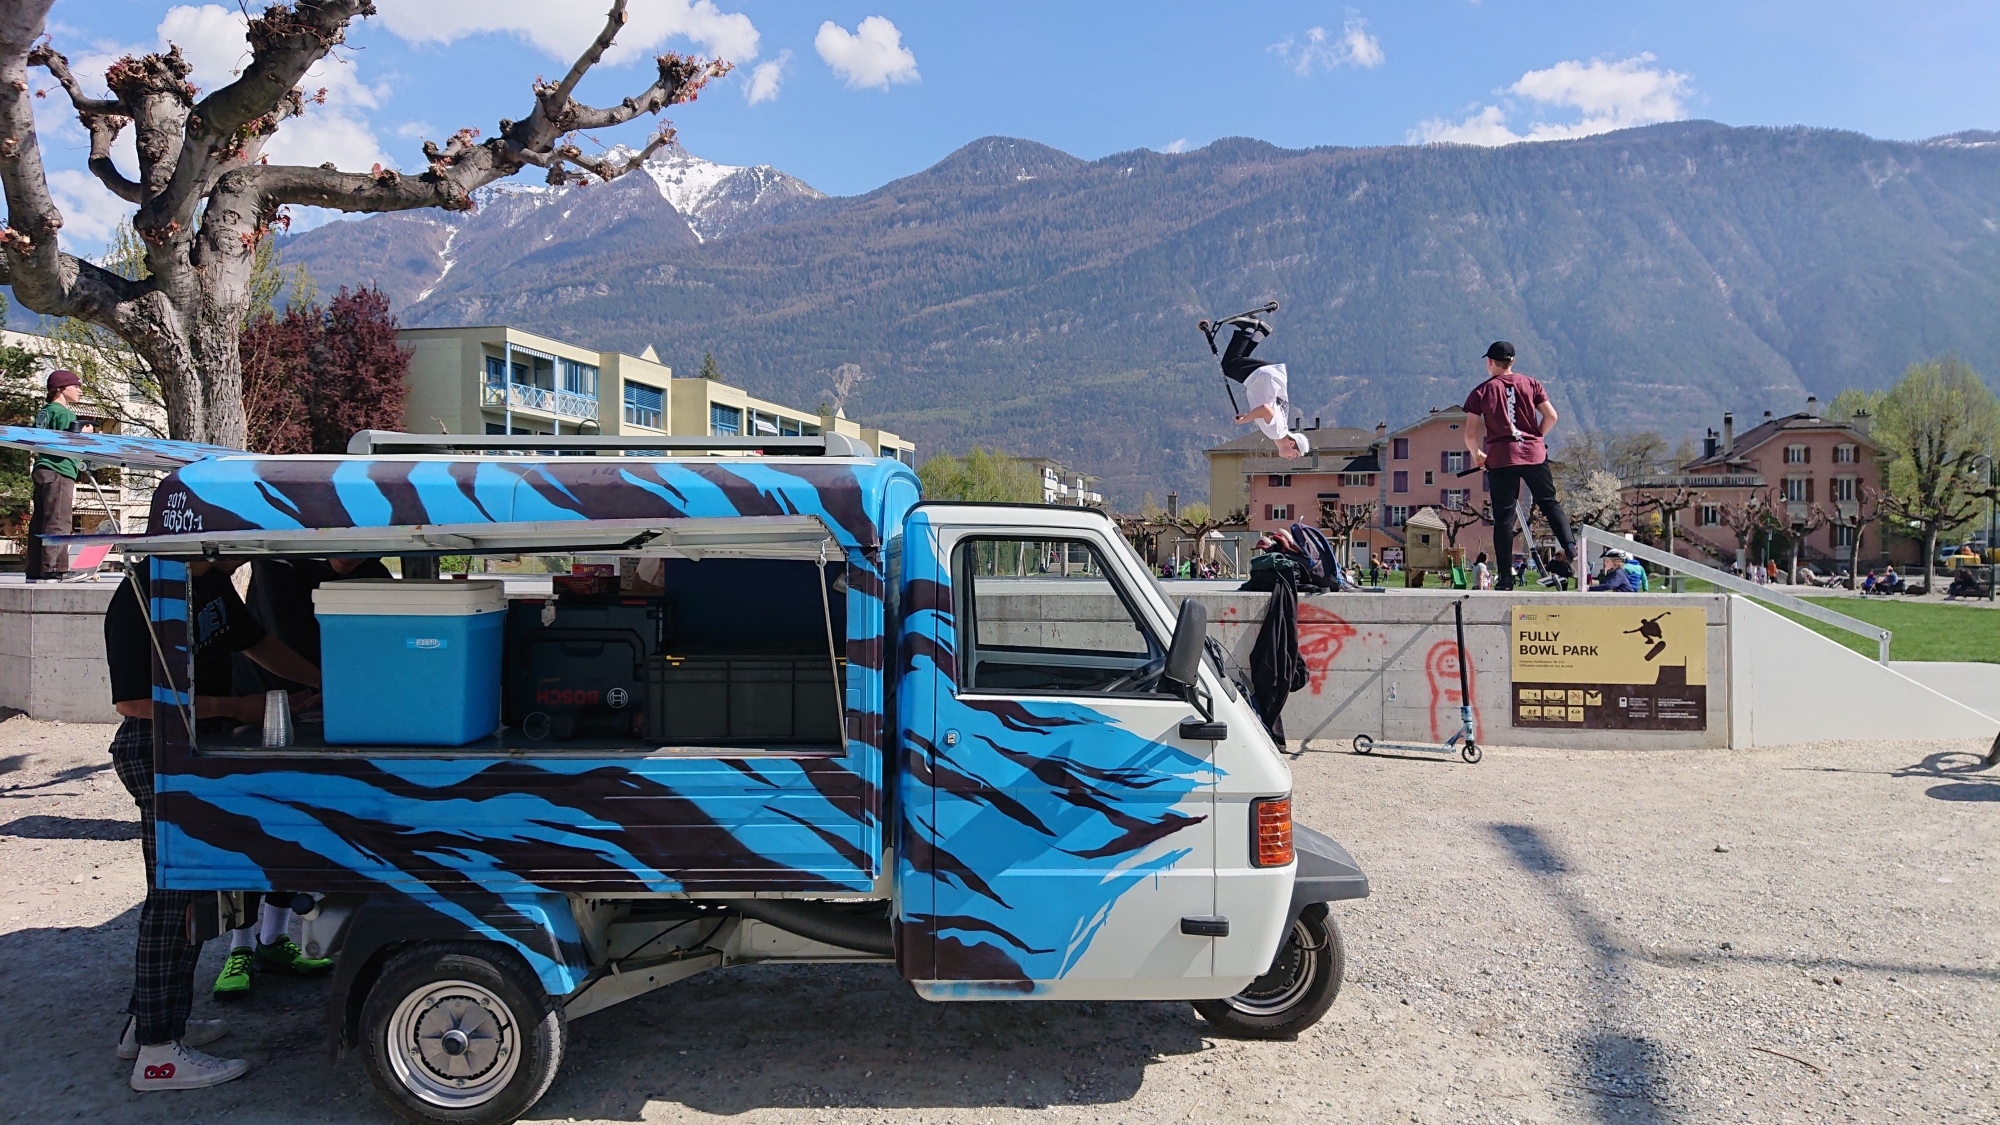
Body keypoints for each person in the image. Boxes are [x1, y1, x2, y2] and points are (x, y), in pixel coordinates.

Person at [103, 556, 325, 1091]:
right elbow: (134, 702)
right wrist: (241, 707)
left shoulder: (213, 585)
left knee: (191, 892)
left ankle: (147, 1026)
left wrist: (326, 681)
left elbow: (257, 643)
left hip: (195, 749)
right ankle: (158, 1056)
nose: (244, 552)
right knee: (174, 897)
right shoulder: (144, 592)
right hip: (158, 751)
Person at [1462, 341, 1573, 590]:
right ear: (1513, 362)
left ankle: (1505, 579)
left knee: (1504, 518)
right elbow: (1551, 416)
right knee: (1549, 502)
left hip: (1502, 459)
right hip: (1533, 455)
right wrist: (1536, 438)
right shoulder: (1531, 383)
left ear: (1490, 362)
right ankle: (1570, 545)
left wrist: (1478, 455)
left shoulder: (1481, 391)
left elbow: (1469, 435)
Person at [1215, 317, 1311, 459]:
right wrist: (1245, 419)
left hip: (1267, 377)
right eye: (1295, 455)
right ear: (1291, 444)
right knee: (1229, 366)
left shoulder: (1281, 427)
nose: (1291, 458)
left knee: (1239, 360)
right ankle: (1248, 328)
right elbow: (1266, 409)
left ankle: (1259, 333)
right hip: (1261, 378)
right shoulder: (1276, 432)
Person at [28, 369, 91, 581]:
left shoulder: (44, 412)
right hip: (59, 469)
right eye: (76, 386)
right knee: (58, 520)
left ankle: (35, 570)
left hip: (42, 468)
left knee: (40, 520)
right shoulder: (64, 413)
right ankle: (55, 569)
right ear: (61, 389)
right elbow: (71, 442)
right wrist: (85, 434)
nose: (80, 391)